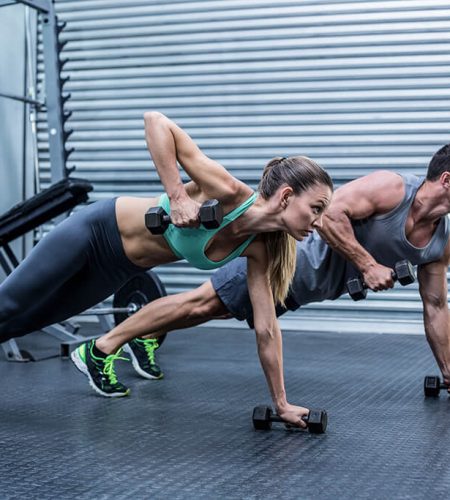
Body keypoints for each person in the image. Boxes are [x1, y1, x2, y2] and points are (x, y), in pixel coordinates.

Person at [0, 112, 333, 424]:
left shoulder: (260, 248)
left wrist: (282, 403)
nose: (318, 223)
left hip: (117, 270)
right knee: (8, 305)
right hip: (93, 233)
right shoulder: (227, 191)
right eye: (316, 208)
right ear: (287, 196)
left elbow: (266, 329)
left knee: (27, 321)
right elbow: (155, 121)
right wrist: (177, 196)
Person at [93, 144, 450, 420]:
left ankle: (143, 339)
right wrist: (367, 264)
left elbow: (435, 304)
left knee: (212, 310)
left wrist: (448, 370)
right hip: (285, 262)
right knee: (202, 303)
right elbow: (328, 215)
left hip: (304, 289)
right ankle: (104, 346)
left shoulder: (441, 241)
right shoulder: (392, 188)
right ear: (446, 179)